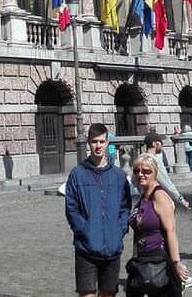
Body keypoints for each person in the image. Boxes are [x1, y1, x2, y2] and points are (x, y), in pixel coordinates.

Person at [65, 123, 132, 297]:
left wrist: (119, 229)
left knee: (108, 294)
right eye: (94, 142)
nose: (98, 146)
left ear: (108, 143)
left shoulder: (118, 176)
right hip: (86, 248)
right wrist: (84, 230)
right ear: (88, 143)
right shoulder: (77, 174)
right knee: (87, 293)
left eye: (102, 142)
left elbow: (125, 207)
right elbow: (71, 209)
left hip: (112, 246)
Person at [126, 153, 192, 295]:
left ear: (155, 173)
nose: (141, 174)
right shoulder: (144, 195)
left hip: (160, 259)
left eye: (146, 171)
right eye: (137, 171)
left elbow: (170, 230)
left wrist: (176, 263)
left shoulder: (159, 196)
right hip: (142, 258)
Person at [143, 132, 190, 212]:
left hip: (144, 200)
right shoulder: (155, 160)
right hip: (157, 199)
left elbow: (134, 181)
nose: (162, 144)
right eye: (160, 142)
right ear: (154, 144)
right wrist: (181, 200)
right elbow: (166, 183)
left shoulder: (140, 158)